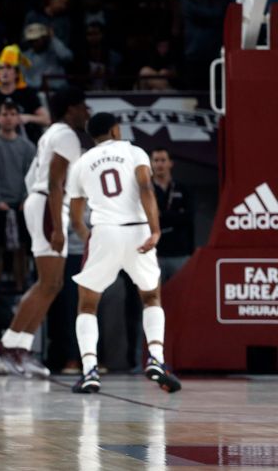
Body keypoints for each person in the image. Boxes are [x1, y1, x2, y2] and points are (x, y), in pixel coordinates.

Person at [66, 112, 181, 394]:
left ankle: (90, 370)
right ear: (116, 130)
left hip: (104, 232)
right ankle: (156, 358)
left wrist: (87, 236)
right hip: (138, 229)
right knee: (151, 296)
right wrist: (154, 230)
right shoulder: (134, 151)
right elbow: (145, 188)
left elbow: (76, 215)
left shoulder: (81, 163)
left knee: (87, 305)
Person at [0, 86, 89, 377]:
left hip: (42, 202)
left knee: (53, 283)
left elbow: (32, 175)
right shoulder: (66, 136)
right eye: (83, 106)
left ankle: (20, 346)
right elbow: (55, 181)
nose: (88, 112)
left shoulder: (51, 133)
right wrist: (59, 226)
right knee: (48, 281)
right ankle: (7, 344)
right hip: (48, 204)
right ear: (71, 108)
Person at [0, 100, 37, 293]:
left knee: (22, 248)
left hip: (22, 203)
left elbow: (31, 175)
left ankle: (21, 286)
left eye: (13, 114)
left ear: (18, 118)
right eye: (5, 114)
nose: (8, 118)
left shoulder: (27, 147)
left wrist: (26, 198)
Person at [150, 148, 194, 280]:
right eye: (156, 160)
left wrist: (161, 215)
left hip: (180, 253)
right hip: (154, 254)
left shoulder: (182, 189)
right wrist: (176, 215)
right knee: (154, 297)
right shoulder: (146, 190)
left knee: (182, 295)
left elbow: (188, 218)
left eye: (163, 160)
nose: (159, 164)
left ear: (170, 163)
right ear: (151, 164)